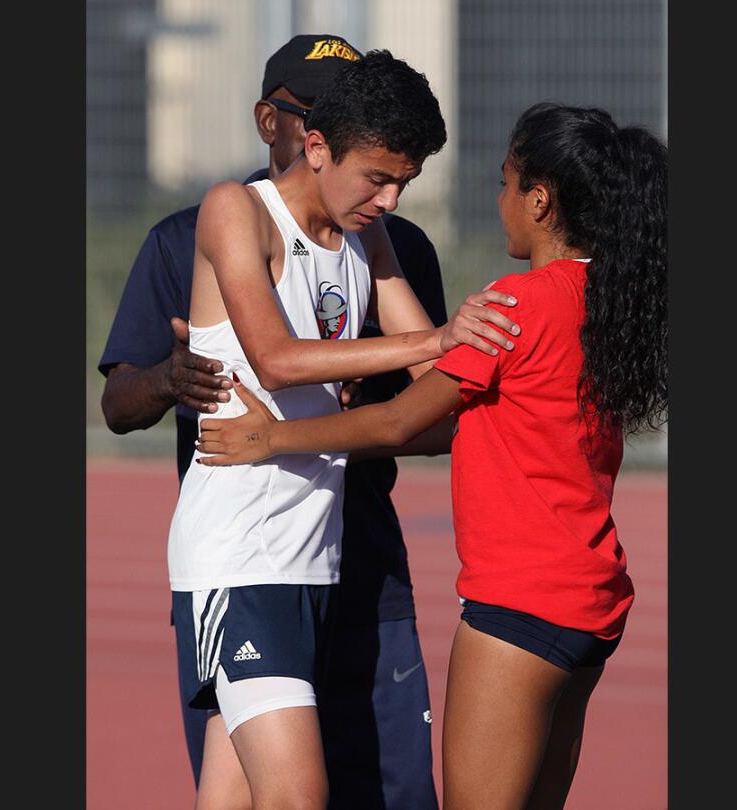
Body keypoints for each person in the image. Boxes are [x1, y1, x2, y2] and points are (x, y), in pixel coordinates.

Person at [195, 102, 669, 809]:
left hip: (520, 606)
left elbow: (395, 423)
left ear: (540, 201)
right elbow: (463, 429)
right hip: (592, 601)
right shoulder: (606, 301)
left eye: (506, 184)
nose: (499, 200)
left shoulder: (518, 305)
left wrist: (272, 438)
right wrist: (346, 432)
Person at [99, 39, 519, 809]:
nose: (390, 199)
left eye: (406, 182)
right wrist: (435, 337)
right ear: (316, 146)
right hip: (239, 560)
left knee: (231, 799)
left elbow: (437, 384)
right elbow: (276, 359)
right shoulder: (236, 209)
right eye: (379, 178)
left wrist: (452, 357)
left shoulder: (370, 237)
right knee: (299, 796)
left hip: (316, 559)